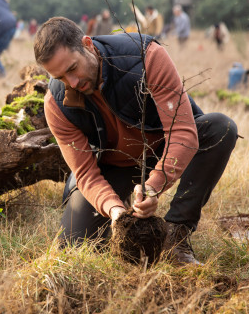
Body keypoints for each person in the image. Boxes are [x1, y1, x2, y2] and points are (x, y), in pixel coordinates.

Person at [33, 17, 238, 265]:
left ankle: (176, 235)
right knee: (75, 248)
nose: (72, 83)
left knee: (221, 128)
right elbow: (85, 172)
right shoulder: (55, 103)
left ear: (87, 44)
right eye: (61, 77)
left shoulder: (145, 56)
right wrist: (114, 210)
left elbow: (183, 132)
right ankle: (122, 209)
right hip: (114, 164)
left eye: (73, 69)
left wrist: (154, 186)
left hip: (164, 148)